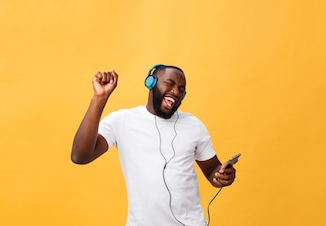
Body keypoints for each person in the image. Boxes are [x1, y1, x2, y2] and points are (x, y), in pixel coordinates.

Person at [71, 64, 236, 226]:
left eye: (181, 88)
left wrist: (222, 176)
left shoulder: (194, 125)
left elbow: (212, 171)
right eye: (170, 84)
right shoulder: (122, 121)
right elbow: (80, 156)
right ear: (151, 83)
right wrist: (100, 99)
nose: (176, 92)